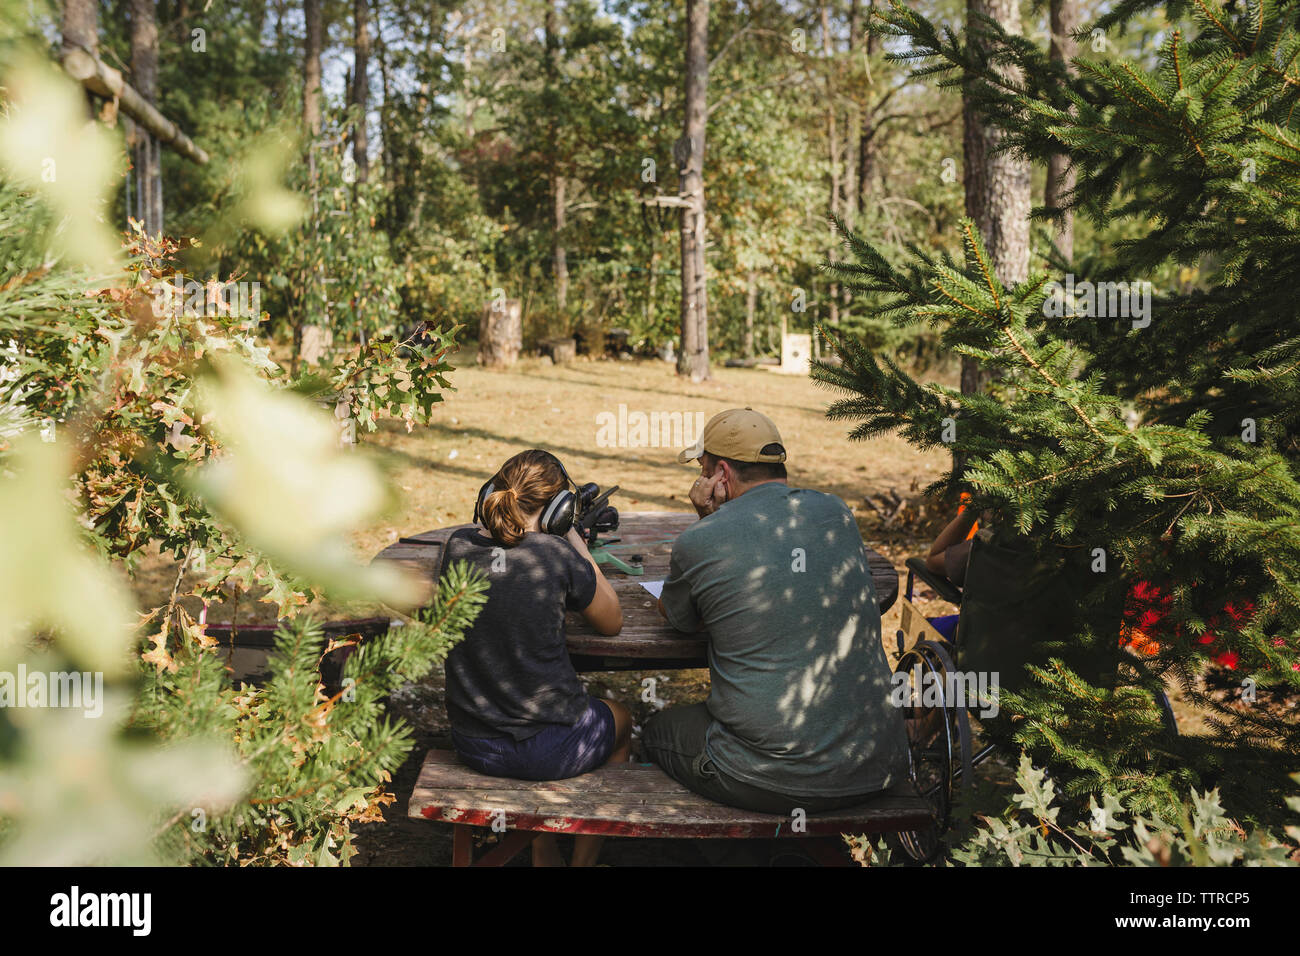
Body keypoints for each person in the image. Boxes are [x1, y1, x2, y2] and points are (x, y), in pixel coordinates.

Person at [643, 408, 910, 819]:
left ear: (721, 473)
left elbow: (679, 619)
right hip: (881, 762)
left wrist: (705, 522)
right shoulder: (837, 512)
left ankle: (721, 852)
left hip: (778, 778)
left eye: (700, 467)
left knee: (657, 729)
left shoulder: (701, 540)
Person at [439, 449, 632, 866]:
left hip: (473, 742)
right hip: (546, 751)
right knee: (622, 719)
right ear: (559, 512)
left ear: (491, 493)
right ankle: (579, 862)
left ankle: (542, 845)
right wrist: (574, 538)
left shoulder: (455, 547)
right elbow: (611, 620)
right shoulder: (555, 553)